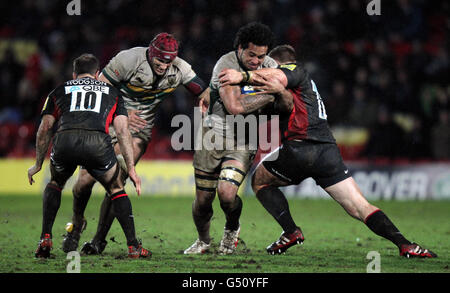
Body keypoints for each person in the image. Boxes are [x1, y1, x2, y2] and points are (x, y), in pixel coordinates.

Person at [219, 44, 437, 258]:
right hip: (327, 152)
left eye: (269, 65)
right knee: (359, 207)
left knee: (259, 181)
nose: (263, 69)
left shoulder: (295, 70)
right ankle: (406, 244)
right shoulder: (300, 87)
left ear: (280, 64)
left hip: (300, 148)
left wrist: (241, 76)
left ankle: (291, 230)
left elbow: (268, 81)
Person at [62, 33, 210, 255]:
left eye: (168, 62)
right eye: (160, 60)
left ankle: (98, 241)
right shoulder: (127, 60)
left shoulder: (180, 68)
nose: (163, 66)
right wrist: (122, 112)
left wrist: (206, 101)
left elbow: (203, 90)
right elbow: (98, 90)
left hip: (139, 130)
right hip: (107, 123)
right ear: (151, 53)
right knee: (83, 182)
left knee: (117, 180)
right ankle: (77, 221)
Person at [28, 54, 150, 259]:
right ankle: (133, 247)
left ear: (74, 74)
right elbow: (122, 131)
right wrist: (131, 168)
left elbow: (45, 127)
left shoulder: (58, 91)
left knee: (56, 183)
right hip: (98, 145)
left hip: (64, 141)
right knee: (116, 189)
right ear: (98, 74)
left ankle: (45, 238)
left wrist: (38, 163)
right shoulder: (112, 93)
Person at [184, 22, 280, 255]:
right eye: (252, 55)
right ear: (239, 49)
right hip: (212, 138)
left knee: (227, 193)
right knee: (203, 201)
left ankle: (231, 230)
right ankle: (204, 241)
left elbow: (285, 90)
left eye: (262, 56)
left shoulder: (271, 65)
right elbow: (234, 106)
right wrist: (269, 95)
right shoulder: (225, 65)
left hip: (243, 140)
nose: (257, 61)